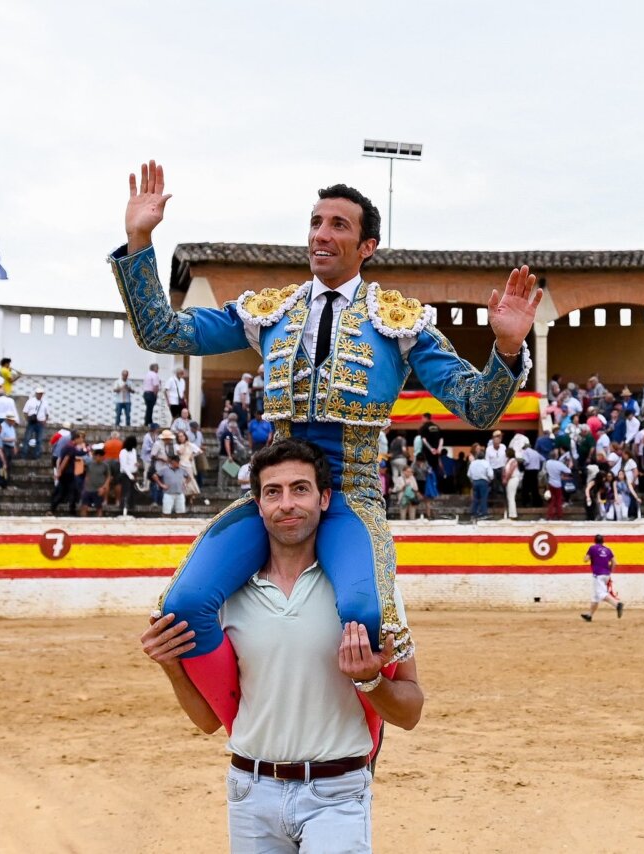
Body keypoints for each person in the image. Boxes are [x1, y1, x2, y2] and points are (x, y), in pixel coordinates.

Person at [112, 162, 540, 725]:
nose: (321, 233)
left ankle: (365, 741)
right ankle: (237, 723)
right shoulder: (270, 312)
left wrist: (506, 349)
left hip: (351, 496)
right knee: (183, 606)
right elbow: (161, 331)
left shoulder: (400, 322)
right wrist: (140, 240)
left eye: (338, 225)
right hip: (278, 490)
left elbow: (477, 406)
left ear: (367, 246)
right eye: (316, 222)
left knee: (364, 616)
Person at [139, 439, 422, 853]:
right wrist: (171, 665)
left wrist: (371, 680)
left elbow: (410, 712)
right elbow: (209, 721)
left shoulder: (372, 592)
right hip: (250, 792)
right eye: (273, 492)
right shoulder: (226, 597)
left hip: (337, 793)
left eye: (300, 489)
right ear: (258, 505)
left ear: (324, 498)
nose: (287, 504)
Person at [581, 534, 623, 622]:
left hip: (598, 575)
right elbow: (614, 563)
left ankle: (617, 604)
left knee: (601, 594)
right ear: (603, 541)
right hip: (606, 575)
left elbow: (586, 560)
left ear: (595, 541)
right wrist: (610, 571)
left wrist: (586, 556)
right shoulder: (608, 550)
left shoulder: (592, 548)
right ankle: (589, 615)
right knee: (595, 597)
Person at [467, 448, 493, 520]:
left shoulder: (472, 463)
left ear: (476, 456)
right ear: (484, 456)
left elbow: (469, 474)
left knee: (475, 498)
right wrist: (490, 480)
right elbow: (490, 474)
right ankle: (483, 513)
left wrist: (472, 481)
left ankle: (474, 513)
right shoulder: (486, 463)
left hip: (475, 482)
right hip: (483, 482)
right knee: (483, 498)